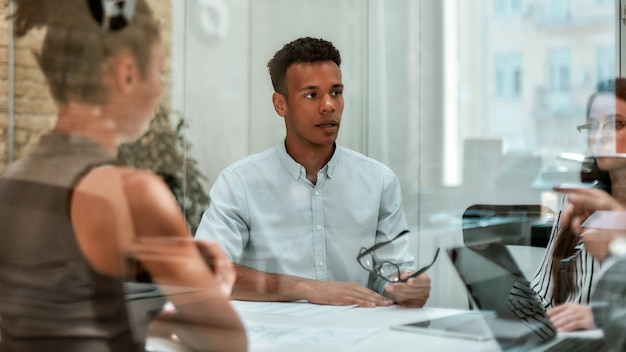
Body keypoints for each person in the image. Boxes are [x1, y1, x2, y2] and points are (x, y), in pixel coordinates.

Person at [0, 1, 246, 351]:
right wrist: (207, 289)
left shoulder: (11, 182)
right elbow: (227, 341)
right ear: (127, 73)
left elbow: (58, 314)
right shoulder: (132, 193)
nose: (159, 91)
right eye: (158, 72)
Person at [195, 36, 431, 308]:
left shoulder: (379, 182)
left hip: (355, 338)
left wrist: (405, 287)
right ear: (280, 104)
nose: (328, 105)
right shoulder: (240, 184)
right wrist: (306, 288)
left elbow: (388, 276)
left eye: (336, 92)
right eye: (312, 95)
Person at [531, 78, 626, 333]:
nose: (600, 135)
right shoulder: (578, 202)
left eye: (615, 124)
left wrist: (603, 318)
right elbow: (543, 294)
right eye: (593, 126)